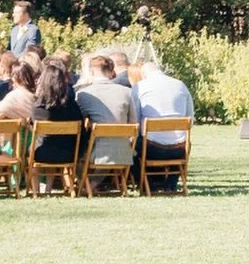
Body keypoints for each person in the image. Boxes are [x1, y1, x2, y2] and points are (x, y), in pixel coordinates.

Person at [130, 60, 193, 190]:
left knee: (131, 144)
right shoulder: (181, 85)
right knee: (180, 141)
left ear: (144, 74)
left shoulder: (140, 87)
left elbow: (134, 121)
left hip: (151, 148)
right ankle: (170, 184)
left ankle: (148, 183)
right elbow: (190, 119)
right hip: (179, 148)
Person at [76, 54, 138, 176]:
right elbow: (134, 123)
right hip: (124, 150)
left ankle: (86, 184)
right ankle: (92, 184)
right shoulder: (127, 92)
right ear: (111, 71)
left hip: (97, 151)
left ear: (91, 71)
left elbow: (79, 125)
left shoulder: (83, 94)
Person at [32, 59, 84, 177]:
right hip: (69, 154)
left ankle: (36, 189)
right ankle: (49, 188)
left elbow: (32, 127)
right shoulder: (72, 105)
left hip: (42, 153)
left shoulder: (38, 108)